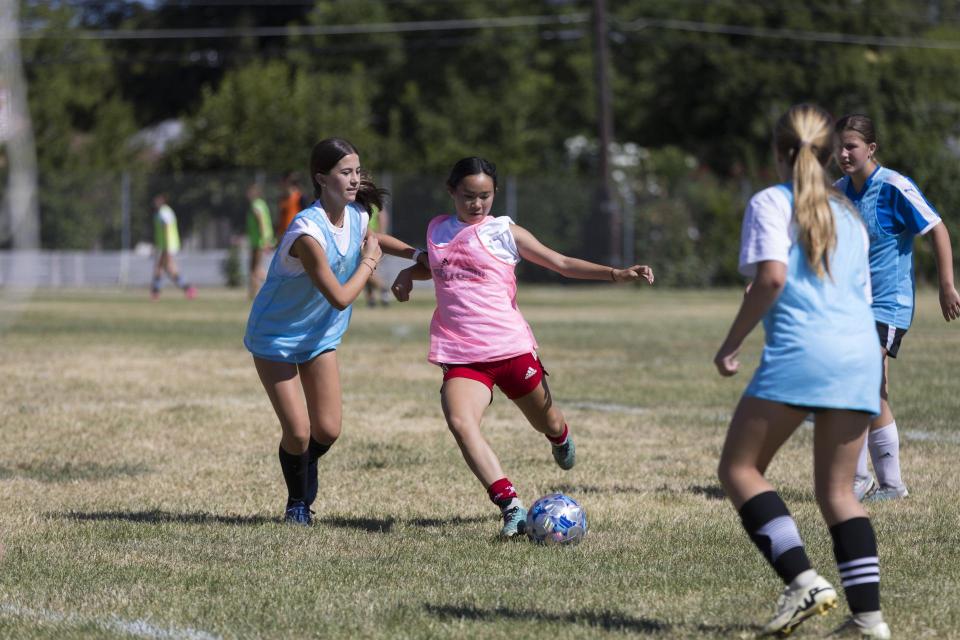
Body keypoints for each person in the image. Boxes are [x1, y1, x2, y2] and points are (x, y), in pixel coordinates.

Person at [391, 157, 654, 538]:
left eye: (485, 196)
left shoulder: (504, 232)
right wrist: (405, 274)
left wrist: (615, 273)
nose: (477, 204)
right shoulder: (438, 230)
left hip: (512, 350)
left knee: (546, 421)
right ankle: (510, 505)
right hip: (464, 356)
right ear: (451, 192)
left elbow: (560, 262)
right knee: (461, 422)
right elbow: (437, 264)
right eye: (468, 196)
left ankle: (560, 437)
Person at [714, 105, 889, 638]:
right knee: (839, 494)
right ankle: (869, 621)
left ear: (780, 153)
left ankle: (803, 581)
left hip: (804, 352)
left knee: (740, 470)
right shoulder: (850, 215)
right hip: (859, 354)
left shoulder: (771, 201)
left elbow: (769, 279)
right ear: (826, 151)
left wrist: (731, 342)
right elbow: (863, 298)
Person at [244, 138, 427, 525]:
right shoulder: (307, 232)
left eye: (357, 172)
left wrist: (416, 255)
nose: (355, 179)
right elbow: (341, 297)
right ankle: (298, 503)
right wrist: (370, 264)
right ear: (321, 178)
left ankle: (301, 468)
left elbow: (372, 238)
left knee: (326, 429)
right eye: (346, 173)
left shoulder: (357, 214)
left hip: (319, 335)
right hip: (276, 335)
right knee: (297, 432)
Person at [835, 114, 960, 502]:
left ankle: (863, 483)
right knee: (871, 391)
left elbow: (936, 227)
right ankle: (886, 485)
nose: (843, 154)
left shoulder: (893, 187)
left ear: (870, 149)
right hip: (850, 306)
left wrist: (945, 285)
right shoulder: (839, 191)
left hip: (888, 304)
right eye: (839, 146)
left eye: (851, 146)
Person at [151, 193, 197, 300]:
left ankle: (155, 292)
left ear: (162, 200)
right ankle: (188, 289)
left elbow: (166, 228)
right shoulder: (161, 212)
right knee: (169, 269)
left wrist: (166, 247)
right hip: (165, 246)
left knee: (161, 268)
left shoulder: (164, 212)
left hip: (168, 245)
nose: (155, 201)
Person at [363, 187, 392, 307]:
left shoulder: (374, 206)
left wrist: (379, 240)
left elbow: (383, 220)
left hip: (371, 241)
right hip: (363, 240)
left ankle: (383, 288)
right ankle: (371, 300)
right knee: (366, 272)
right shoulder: (360, 205)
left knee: (366, 270)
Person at [246, 182, 275, 299]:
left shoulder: (256, 205)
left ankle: (255, 292)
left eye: (249, 192)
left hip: (258, 241)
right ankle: (253, 292)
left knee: (254, 268)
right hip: (260, 240)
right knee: (255, 267)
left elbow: (261, 222)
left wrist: (264, 240)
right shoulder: (262, 204)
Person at [276, 171, 306, 240]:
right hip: (283, 237)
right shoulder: (281, 199)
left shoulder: (300, 197)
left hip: (295, 236)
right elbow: (280, 219)